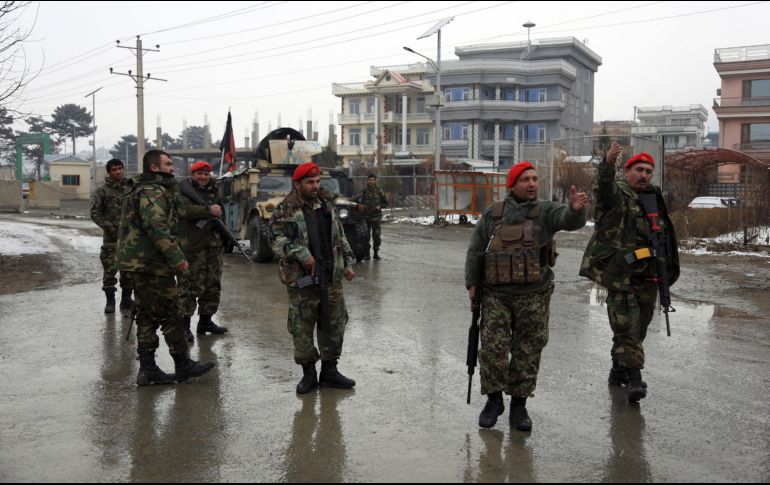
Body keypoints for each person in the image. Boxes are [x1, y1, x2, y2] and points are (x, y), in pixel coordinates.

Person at [464, 161, 588, 430]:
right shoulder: (494, 214)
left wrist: (577, 210)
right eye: (524, 179)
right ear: (513, 184)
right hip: (497, 294)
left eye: (534, 179)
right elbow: (475, 250)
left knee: (528, 350)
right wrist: (472, 284)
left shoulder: (545, 211)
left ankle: (519, 406)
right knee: (493, 348)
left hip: (534, 294)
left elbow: (567, 219)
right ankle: (494, 400)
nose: (531, 184)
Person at [579, 142, 679, 403]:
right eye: (639, 170)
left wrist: (666, 267)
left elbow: (663, 234)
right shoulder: (617, 195)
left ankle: (617, 368)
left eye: (648, 171)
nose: (644, 175)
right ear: (627, 171)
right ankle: (635, 379)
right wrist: (607, 166)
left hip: (649, 276)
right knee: (627, 330)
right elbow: (604, 189)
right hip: (621, 275)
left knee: (640, 328)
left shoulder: (653, 198)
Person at [116, 149, 215, 387]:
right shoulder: (152, 191)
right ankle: (182, 364)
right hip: (152, 263)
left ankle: (148, 370)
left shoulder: (156, 189)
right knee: (172, 312)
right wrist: (176, 257)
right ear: (154, 167)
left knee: (148, 315)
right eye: (168, 164)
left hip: (144, 263)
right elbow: (156, 226)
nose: (172, 167)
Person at [270, 162, 356, 394]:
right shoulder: (284, 210)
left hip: (331, 276)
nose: (315, 186)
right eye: (310, 182)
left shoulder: (326, 205)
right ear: (297, 184)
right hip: (302, 280)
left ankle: (330, 372)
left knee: (335, 324)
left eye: (318, 182)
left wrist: (347, 263)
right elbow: (276, 241)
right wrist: (302, 254)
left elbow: (340, 236)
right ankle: (309, 375)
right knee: (302, 327)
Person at [177, 160, 227, 342]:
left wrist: (225, 239)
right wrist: (208, 210)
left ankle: (206, 321)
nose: (203, 177)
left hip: (213, 246)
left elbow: (220, 212)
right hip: (192, 246)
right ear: (192, 174)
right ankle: (184, 326)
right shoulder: (182, 189)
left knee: (212, 285)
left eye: (206, 174)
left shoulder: (214, 190)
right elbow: (183, 210)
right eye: (199, 174)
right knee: (190, 286)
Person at [91, 158, 133, 313]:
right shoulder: (102, 191)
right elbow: (95, 213)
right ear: (109, 172)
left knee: (129, 270)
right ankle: (110, 302)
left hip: (130, 238)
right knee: (110, 270)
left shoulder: (131, 189)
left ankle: (127, 299)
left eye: (120, 168)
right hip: (111, 238)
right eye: (114, 169)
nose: (118, 171)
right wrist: (109, 227)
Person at [356, 173, 388, 260]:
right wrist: (360, 206)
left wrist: (380, 206)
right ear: (368, 181)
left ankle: (376, 253)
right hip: (365, 217)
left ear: (375, 181)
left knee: (377, 236)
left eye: (373, 180)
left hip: (376, 217)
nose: (371, 181)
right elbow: (357, 201)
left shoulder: (379, 191)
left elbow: (385, 203)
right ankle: (367, 254)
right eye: (370, 180)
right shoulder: (363, 191)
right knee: (366, 237)